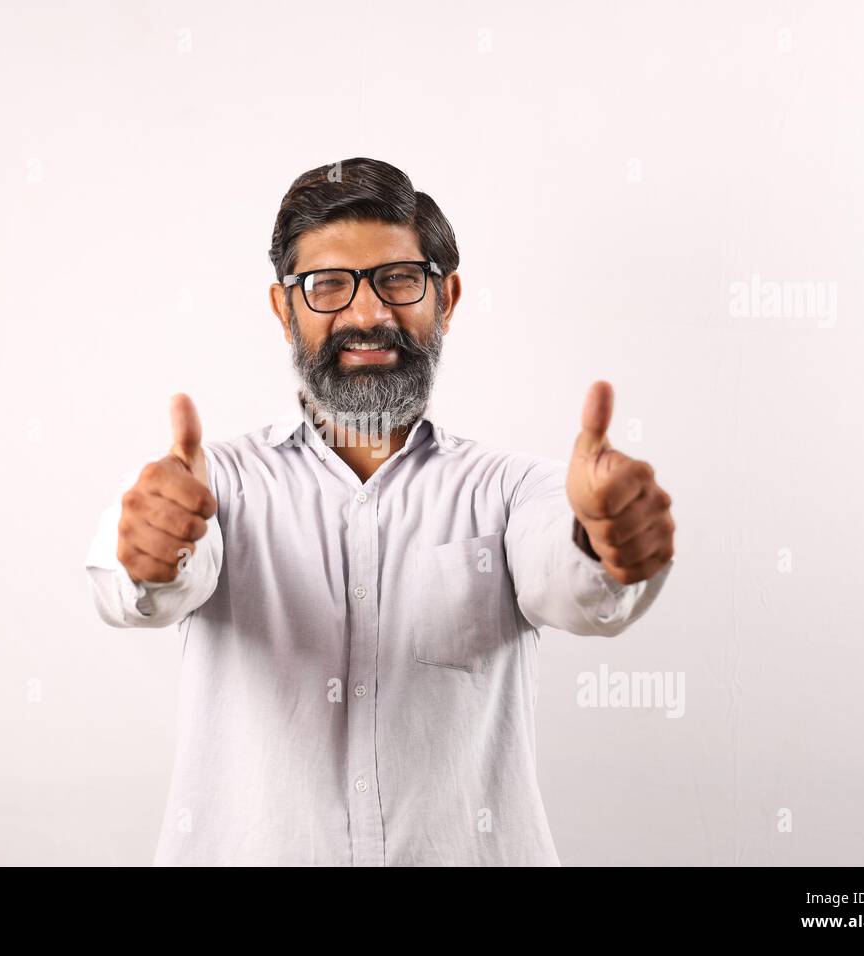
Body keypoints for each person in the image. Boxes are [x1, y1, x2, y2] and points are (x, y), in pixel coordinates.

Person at [84, 157, 676, 865]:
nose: (367, 314)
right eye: (328, 285)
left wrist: (605, 539)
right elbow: (142, 587)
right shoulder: (209, 484)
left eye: (398, 279)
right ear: (284, 309)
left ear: (445, 298)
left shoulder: (515, 490)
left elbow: (577, 587)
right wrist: (152, 555)